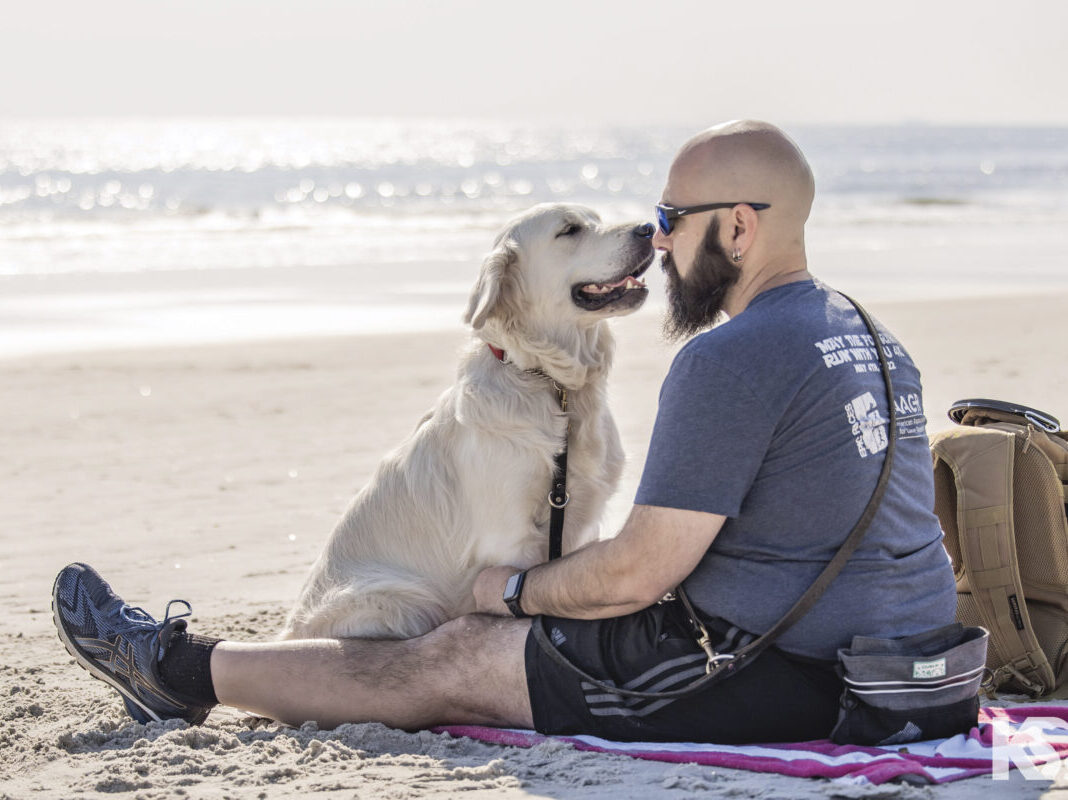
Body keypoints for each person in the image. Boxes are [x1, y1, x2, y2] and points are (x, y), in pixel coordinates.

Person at [52, 120, 956, 744]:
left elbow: (636, 572)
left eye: (674, 221)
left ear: (741, 226)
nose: (659, 238)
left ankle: (178, 670)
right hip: (914, 671)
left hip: (783, 678)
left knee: (453, 654)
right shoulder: (874, 336)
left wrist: (508, 592)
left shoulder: (730, 360)